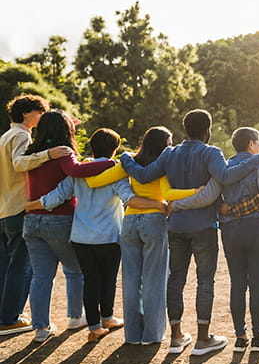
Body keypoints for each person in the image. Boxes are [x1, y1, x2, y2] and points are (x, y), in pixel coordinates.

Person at [119, 109, 259, 355]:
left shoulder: (169, 152)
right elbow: (227, 176)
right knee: (205, 281)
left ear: (185, 129)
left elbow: (144, 175)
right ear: (207, 129)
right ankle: (202, 339)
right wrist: (257, 159)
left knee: (175, 279)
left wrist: (125, 158)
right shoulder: (211, 152)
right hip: (204, 227)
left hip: (175, 226)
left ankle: (176, 338)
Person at [170, 127, 259, 353]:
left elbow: (207, 197)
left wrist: (176, 205)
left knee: (237, 284)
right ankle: (258, 336)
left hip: (231, 230)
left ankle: (240, 337)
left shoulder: (223, 167)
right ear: (252, 144)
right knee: (257, 286)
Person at [27, 128, 168, 343]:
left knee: (90, 280)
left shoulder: (78, 172)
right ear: (114, 149)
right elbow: (129, 198)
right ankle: (107, 318)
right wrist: (160, 205)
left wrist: (29, 205)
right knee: (108, 280)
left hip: (80, 236)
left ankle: (94, 327)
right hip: (108, 236)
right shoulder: (114, 173)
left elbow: (56, 196)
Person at [83, 126, 198, 345]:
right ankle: (152, 335)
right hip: (154, 222)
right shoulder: (162, 166)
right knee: (154, 280)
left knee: (131, 279)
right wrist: (196, 192)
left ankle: (133, 336)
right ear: (164, 144)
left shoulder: (130, 163)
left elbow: (94, 181)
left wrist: (92, 164)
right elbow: (168, 194)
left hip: (129, 222)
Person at [22, 111, 115, 343]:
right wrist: (113, 163)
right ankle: (75, 317)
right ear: (66, 130)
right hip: (58, 218)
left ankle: (41, 329)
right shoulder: (64, 152)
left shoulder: (33, 152)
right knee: (75, 270)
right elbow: (76, 171)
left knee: (41, 276)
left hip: (33, 219)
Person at [0, 95, 70, 336]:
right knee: (22, 266)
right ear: (27, 113)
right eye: (40, 112)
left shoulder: (5, 136)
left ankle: (5, 315)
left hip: (4, 208)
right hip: (20, 207)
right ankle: (9, 318)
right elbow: (20, 164)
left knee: (6, 266)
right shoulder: (21, 135)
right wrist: (48, 155)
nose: (42, 117)